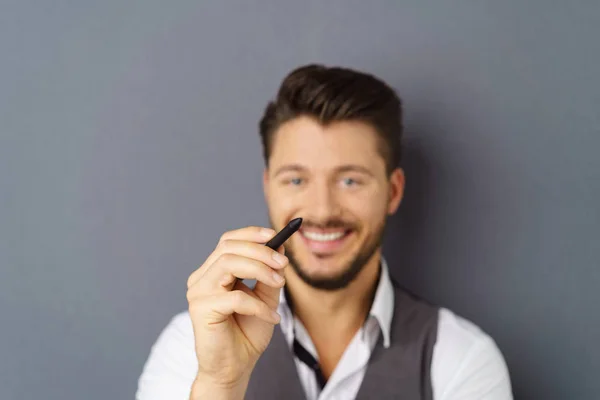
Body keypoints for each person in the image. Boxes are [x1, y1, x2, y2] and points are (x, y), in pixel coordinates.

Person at [135, 64, 513, 400]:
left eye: (350, 180)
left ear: (393, 191)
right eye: (296, 179)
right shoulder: (192, 345)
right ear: (269, 187)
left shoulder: (462, 359)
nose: (321, 211)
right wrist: (221, 383)